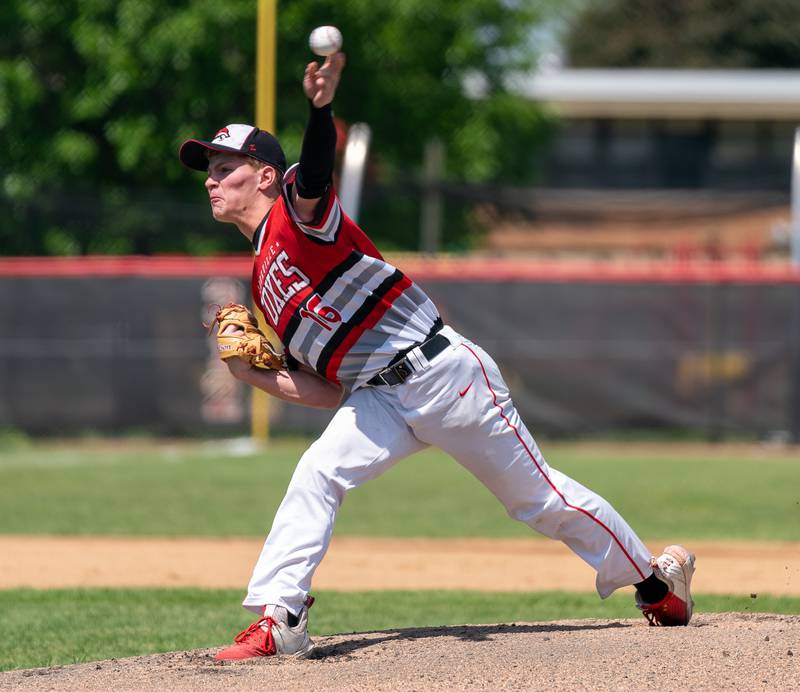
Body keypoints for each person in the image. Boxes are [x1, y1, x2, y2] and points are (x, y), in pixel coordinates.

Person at [179, 51, 695, 661]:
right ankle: (279, 619)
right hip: (378, 396)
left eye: (224, 166)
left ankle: (657, 583)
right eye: (208, 170)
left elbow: (316, 172)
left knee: (536, 502)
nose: (211, 179)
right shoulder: (265, 281)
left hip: (443, 375)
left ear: (264, 175)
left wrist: (320, 109)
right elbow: (325, 391)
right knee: (318, 473)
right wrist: (249, 375)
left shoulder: (297, 215)